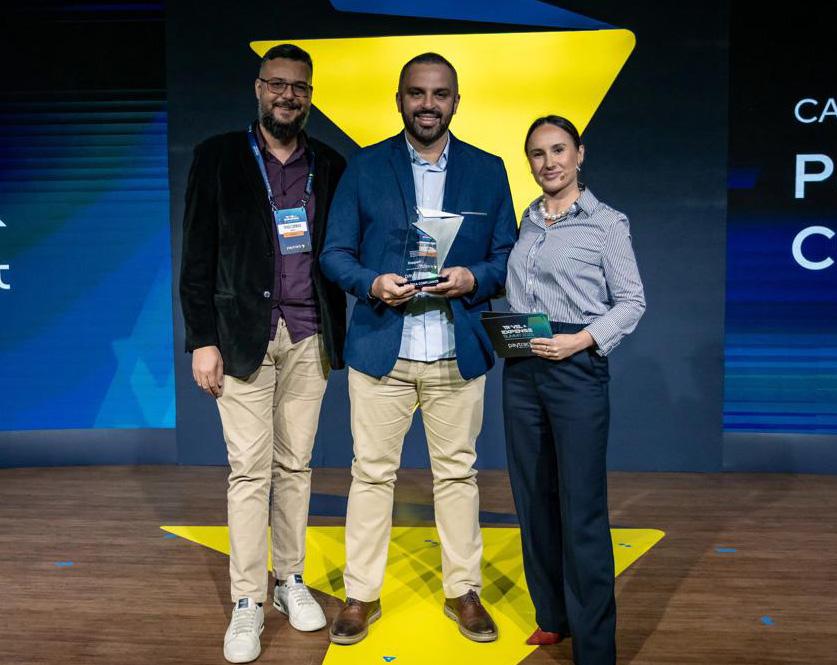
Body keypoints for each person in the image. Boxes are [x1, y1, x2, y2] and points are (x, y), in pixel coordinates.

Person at [319, 52, 517, 645]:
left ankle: (463, 591)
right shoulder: (365, 167)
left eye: (439, 94)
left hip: (457, 349)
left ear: (456, 101)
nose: (428, 104)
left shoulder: (488, 169)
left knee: (457, 475)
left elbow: (507, 254)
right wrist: (371, 283)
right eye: (417, 93)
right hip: (383, 347)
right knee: (371, 475)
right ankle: (361, 595)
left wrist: (474, 277)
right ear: (399, 98)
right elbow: (334, 254)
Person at [179, 44, 347, 664]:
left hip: (309, 335)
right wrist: (202, 338)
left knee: (295, 466)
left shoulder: (330, 164)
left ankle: (290, 579)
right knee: (250, 471)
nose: (287, 96)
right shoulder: (219, 155)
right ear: (258, 88)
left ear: (310, 95)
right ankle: (248, 599)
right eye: (277, 84)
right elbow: (196, 256)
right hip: (240, 336)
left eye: (298, 87)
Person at [503, 115, 646, 665]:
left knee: (581, 507)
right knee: (533, 497)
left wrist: (580, 340)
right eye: (538, 153)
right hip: (522, 366)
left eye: (559, 150)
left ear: (579, 154)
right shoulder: (528, 218)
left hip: (576, 365)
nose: (549, 162)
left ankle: (595, 646)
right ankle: (553, 616)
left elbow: (631, 302)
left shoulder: (607, 223)